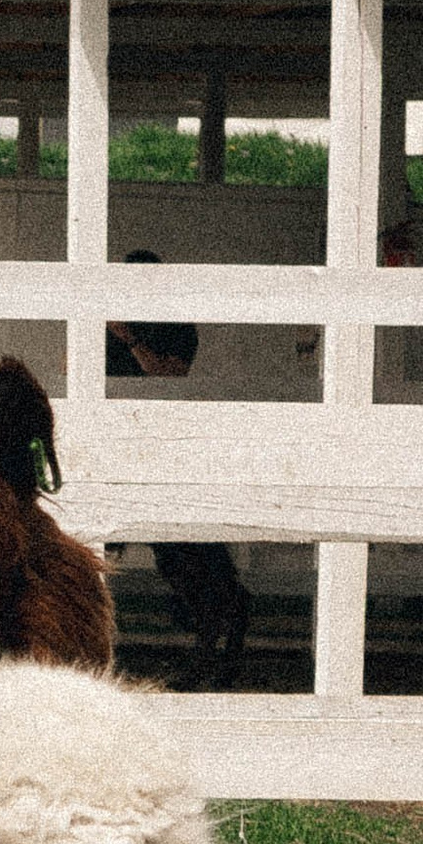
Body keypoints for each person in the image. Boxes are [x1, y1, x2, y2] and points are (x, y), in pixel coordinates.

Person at [106, 254, 247, 684]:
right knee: (141, 548)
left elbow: (169, 374)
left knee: (184, 552)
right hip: (118, 443)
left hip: (163, 446)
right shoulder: (106, 324)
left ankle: (216, 640)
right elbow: (72, 368)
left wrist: (129, 340)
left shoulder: (177, 328)